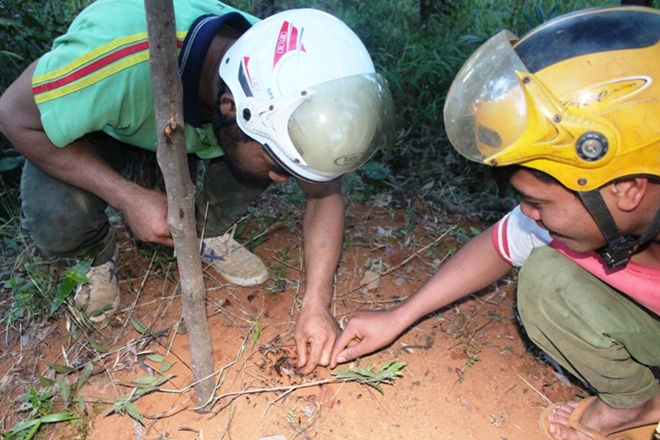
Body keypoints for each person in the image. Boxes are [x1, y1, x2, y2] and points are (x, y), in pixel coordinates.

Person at [0, 0, 394, 375]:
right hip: (102, 125)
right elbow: (12, 115)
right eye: (280, 166)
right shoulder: (116, 61)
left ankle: (211, 228)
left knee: (251, 160)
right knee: (56, 214)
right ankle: (96, 254)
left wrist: (316, 304)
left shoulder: (288, 78)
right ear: (228, 107)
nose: (281, 180)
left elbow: (324, 193)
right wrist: (128, 197)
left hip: (191, 127)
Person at [331, 5, 660, 439]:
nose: (528, 213)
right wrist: (399, 316)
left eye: (537, 201)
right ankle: (635, 400)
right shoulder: (593, 210)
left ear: (627, 187)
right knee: (547, 277)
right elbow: (498, 246)